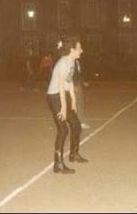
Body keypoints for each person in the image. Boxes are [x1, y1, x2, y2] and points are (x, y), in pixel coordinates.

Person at [46, 36, 88, 174]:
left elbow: (69, 82)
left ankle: (73, 154)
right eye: (79, 48)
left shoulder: (71, 61)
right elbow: (59, 85)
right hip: (55, 97)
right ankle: (57, 164)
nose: (81, 50)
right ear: (72, 49)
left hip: (62, 95)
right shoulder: (63, 62)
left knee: (76, 125)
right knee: (63, 129)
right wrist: (64, 107)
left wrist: (74, 101)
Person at [73, 58, 90, 129]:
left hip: (78, 84)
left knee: (79, 103)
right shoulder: (70, 61)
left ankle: (78, 121)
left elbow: (79, 74)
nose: (81, 51)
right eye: (79, 48)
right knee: (77, 104)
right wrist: (73, 85)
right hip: (75, 84)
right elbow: (70, 75)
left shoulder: (77, 62)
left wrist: (83, 82)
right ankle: (79, 122)